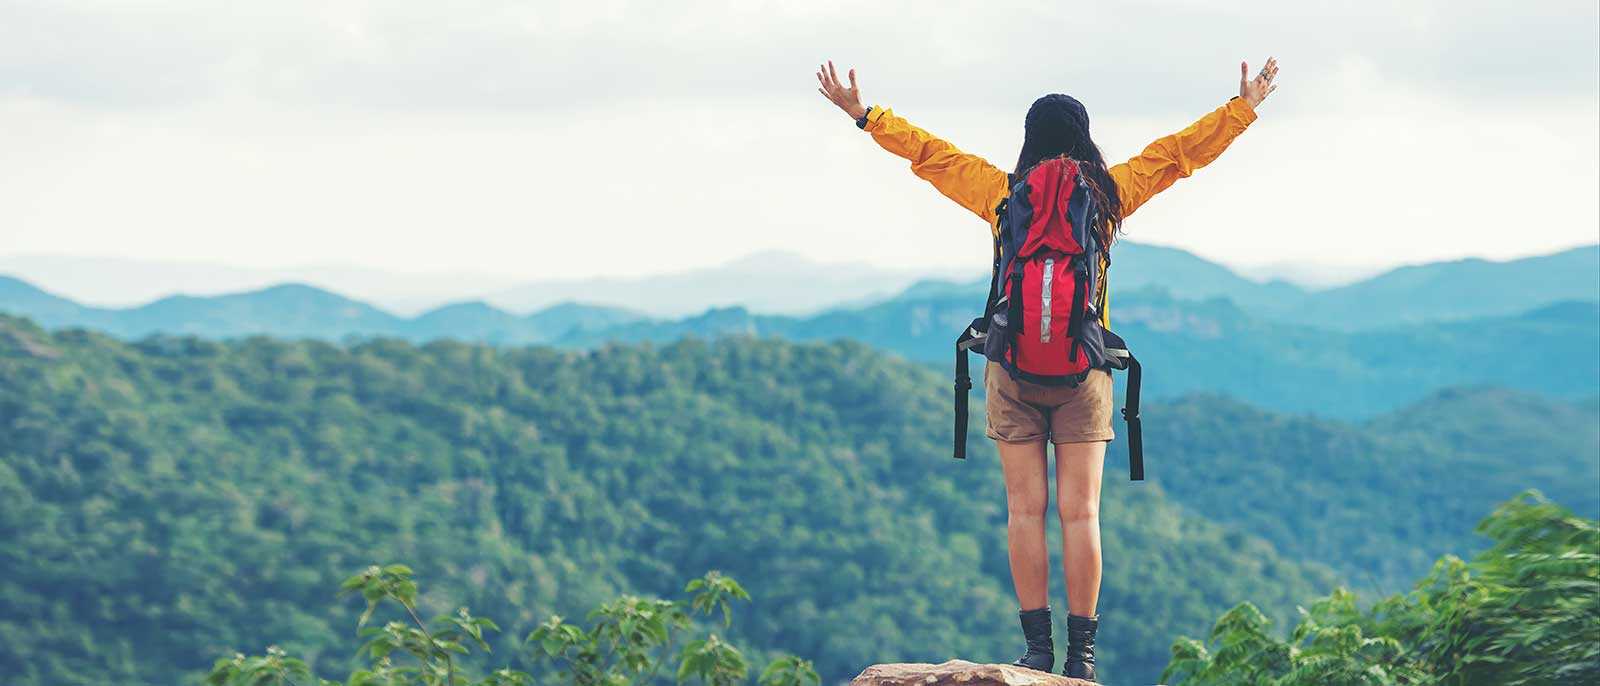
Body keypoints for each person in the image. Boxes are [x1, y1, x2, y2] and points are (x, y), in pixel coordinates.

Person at [816, 58, 1278, 681]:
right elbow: (1176, 155)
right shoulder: (1109, 195)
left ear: (1029, 139)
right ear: (1085, 137)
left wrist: (865, 115)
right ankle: (1080, 658)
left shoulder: (1004, 195)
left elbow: (931, 155)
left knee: (1024, 512)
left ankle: (1036, 650)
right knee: (1081, 514)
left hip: (1011, 370)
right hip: (1085, 372)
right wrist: (1242, 108)